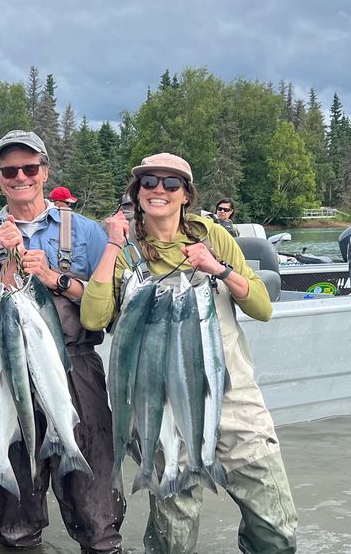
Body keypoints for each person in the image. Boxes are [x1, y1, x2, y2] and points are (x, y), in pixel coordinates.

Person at [80, 153, 297, 554]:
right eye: (149, 182)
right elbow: (94, 318)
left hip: (231, 399)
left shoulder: (212, 237)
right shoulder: (124, 251)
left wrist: (219, 269)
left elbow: (263, 308)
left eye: (171, 184)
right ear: (137, 191)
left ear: (186, 195)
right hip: (160, 409)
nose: (158, 190)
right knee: (172, 537)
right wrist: (112, 244)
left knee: (276, 527)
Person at [0, 130, 125, 554]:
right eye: (10, 170)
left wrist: (55, 278)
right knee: (15, 518)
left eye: (29, 168)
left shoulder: (88, 233)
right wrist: (10, 265)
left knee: (96, 510)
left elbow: (106, 306)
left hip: (76, 366)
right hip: (7, 374)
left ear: (44, 172)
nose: (20, 176)